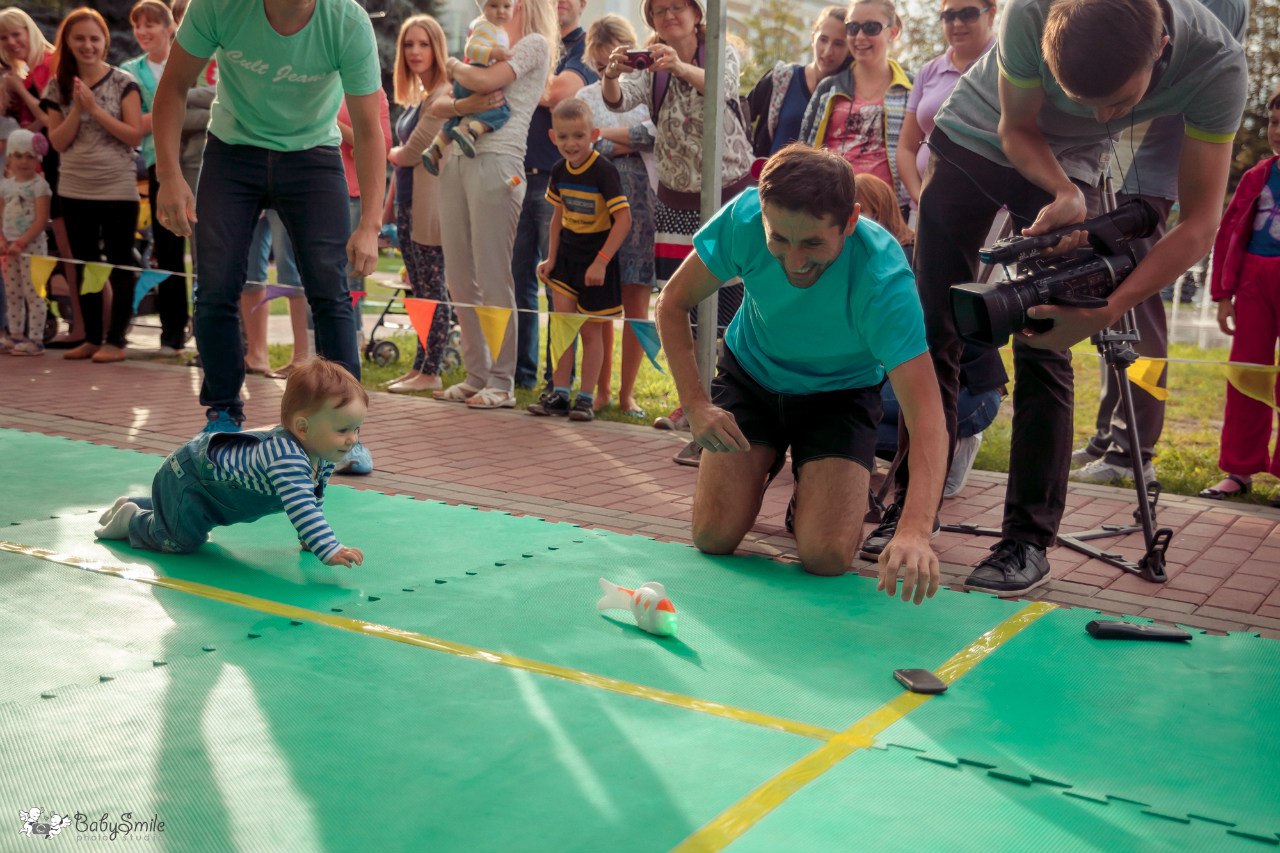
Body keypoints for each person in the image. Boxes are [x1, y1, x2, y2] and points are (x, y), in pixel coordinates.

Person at [868, 0, 1247, 597]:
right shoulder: (1028, 11)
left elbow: (1199, 223)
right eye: (1080, 96)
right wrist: (1062, 190)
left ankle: (1026, 540)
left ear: (1161, 51)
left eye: (1117, 105)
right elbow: (1016, 127)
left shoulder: (1217, 65)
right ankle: (915, 509)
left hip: (1074, 159)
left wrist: (1108, 307)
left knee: (1045, 335)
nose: (1099, 114)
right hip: (978, 134)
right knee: (934, 329)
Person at [656, 144, 946, 601]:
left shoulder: (883, 278)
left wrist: (913, 530)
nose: (794, 261)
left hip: (840, 395)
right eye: (780, 240)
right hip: (752, 378)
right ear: (764, 215)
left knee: (826, 558)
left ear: (850, 222)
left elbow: (927, 415)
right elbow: (671, 303)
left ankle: (809, 488)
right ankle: (764, 462)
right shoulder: (746, 217)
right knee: (713, 537)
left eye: (812, 242)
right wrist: (695, 404)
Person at [152, 0, 386, 443]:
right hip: (232, 151)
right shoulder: (219, 7)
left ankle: (345, 428)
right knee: (216, 287)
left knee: (331, 292)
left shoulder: (347, 21)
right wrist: (169, 175)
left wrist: (370, 224)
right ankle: (222, 413)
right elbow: (174, 86)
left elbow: (369, 129)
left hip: (313, 155)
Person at [1070, 0, 1248, 487]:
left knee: (1138, 312)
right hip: (1112, 162)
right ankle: (1109, 436)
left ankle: (1134, 450)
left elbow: (1196, 70)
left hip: (1147, 175)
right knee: (1113, 308)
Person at [93, 357, 367, 568]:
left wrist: (309, 539)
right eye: (343, 430)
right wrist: (328, 548)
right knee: (179, 541)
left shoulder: (322, 452)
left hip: (206, 487)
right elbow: (301, 506)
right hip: (190, 478)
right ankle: (131, 520)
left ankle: (138, 503)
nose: (352, 439)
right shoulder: (287, 457)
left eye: (356, 429)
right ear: (303, 428)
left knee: (192, 517)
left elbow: (313, 495)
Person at [431, 0, 557, 410]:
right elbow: (442, 104)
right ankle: (476, 373)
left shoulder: (533, 44)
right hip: (459, 160)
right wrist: (462, 93)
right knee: (460, 276)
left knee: (493, 274)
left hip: (499, 162)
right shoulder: (484, 39)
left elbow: (485, 83)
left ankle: (502, 380)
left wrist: (452, 66)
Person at [601, 0, 754, 294]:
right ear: (653, 21)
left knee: (733, 295)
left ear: (696, 13)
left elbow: (723, 86)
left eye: (677, 7)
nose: (669, 15)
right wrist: (610, 75)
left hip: (729, 198)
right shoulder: (651, 65)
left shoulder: (720, 51)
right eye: (659, 11)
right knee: (680, 301)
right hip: (676, 203)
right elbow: (619, 101)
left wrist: (679, 67)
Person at [42, 7, 144, 364]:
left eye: (94, 38)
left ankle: (116, 340)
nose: (87, 45)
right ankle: (92, 336)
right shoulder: (57, 85)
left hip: (117, 188)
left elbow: (133, 135)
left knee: (119, 262)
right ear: (67, 43)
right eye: (79, 38)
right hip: (74, 188)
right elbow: (58, 141)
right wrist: (76, 108)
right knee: (85, 263)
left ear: (105, 42)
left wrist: (96, 110)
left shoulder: (123, 82)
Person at [1200, 86, 1280, 504]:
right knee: (1247, 374)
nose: (1278, 131)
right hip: (1253, 282)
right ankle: (1239, 469)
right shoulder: (1257, 176)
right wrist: (1223, 294)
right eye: (1274, 122)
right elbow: (1229, 234)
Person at [510, 0, 596, 392]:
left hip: (555, 182)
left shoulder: (583, 47)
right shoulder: (530, 41)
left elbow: (560, 94)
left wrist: (516, 70)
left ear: (581, 4)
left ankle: (557, 382)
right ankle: (521, 374)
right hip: (515, 174)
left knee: (557, 285)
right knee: (517, 282)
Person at [527, 98, 631, 421]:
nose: (570, 144)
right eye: (563, 137)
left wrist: (601, 261)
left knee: (591, 332)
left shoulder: (604, 171)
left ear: (594, 134)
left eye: (578, 136)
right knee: (563, 329)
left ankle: (586, 398)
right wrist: (551, 258)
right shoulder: (558, 170)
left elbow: (624, 220)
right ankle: (559, 394)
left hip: (597, 261)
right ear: (552, 137)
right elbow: (557, 217)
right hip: (567, 260)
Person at [579, 14, 656, 416]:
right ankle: (602, 389)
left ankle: (628, 393)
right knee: (602, 304)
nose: (611, 60)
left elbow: (652, 135)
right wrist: (626, 142)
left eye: (619, 51)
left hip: (642, 206)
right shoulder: (588, 97)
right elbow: (582, 147)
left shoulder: (645, 89)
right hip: (598, 208)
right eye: (601, 54)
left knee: (636, 302)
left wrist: (605, 137)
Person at [0, 8, 81, 348]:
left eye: (16, 33)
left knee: (73, 249)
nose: (12, 42)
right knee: (60, 251)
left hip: (66, 167)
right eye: (4, 38)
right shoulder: (24, 70)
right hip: (42, 174)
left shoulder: (49, 62)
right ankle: (71, 324)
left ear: (30, 30)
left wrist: (19, 88)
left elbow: (49, 121)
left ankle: (84, 326)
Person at [384, 14, 453, 395]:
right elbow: (402, 163)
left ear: (437, 48)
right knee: (418, 288)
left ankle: (433, 369)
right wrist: (388, 208)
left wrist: (390, 151)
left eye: (423, 44)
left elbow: (412, 153)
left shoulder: (444, 95)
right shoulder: (421, 98)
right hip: (408, 202)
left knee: (432, 287)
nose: (414, 51)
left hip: (430, 205)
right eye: (409, 44)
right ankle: (419, 366)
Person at [121, 0, 191, 357]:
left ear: (169, 28)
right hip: (157, 165)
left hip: (199, 161)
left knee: (209, 250)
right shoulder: (130, 70)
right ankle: (172, 332)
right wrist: (174, 109)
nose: (144, 32)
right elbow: (131, 123)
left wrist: (156, 114)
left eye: (151, 24)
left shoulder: (192, 58)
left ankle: (208, 328)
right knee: (168, 252)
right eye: (138, 26)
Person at [800, 0, 913, 214]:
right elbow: (805, 147)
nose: (860, 37)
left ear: (893, 32)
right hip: (829, 207)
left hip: (890, 212)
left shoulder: (911, 89)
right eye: (853, 28)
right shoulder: (829, 88)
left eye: (871, 27)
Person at [894, 0, 997, 212]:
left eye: (968, 14)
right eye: (949, 16)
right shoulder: (928, 71)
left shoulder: (1007, 66)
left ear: (991, 13)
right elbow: (906, 147)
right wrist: (921, 197)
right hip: (927, 210)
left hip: (993, 212)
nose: (957, 23)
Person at [422, 0, 512, 175]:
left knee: (456, 118)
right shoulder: (485, 26)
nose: (501, 11)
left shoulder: (497, 29)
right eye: (494, 6)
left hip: (465, 81)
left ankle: (435, 149)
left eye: (506, 7)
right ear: (483, 7)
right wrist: (493, 53)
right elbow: (471, 49)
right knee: (501, 109)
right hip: (475, 76)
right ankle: (470, 132)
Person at [746, 5, 848, 157]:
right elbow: (740, 117)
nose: (827, 51)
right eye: (823, 39)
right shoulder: (783, 78)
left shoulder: (848, 95)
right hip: (769, 178)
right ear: (813, 38)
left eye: (838, 44)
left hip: (817, 180)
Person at [0, 128, 51, 356]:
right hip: (8, 248)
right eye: (18, 156)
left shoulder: (39, 186)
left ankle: (36, 338)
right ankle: (15, 334)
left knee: (34, 292)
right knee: (13, 291)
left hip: (31, 247)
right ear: (9, 156)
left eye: (30, 156)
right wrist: (2, 239)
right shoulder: (5, 186)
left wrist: (21, 241)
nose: (24, 162)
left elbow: (41, 220)